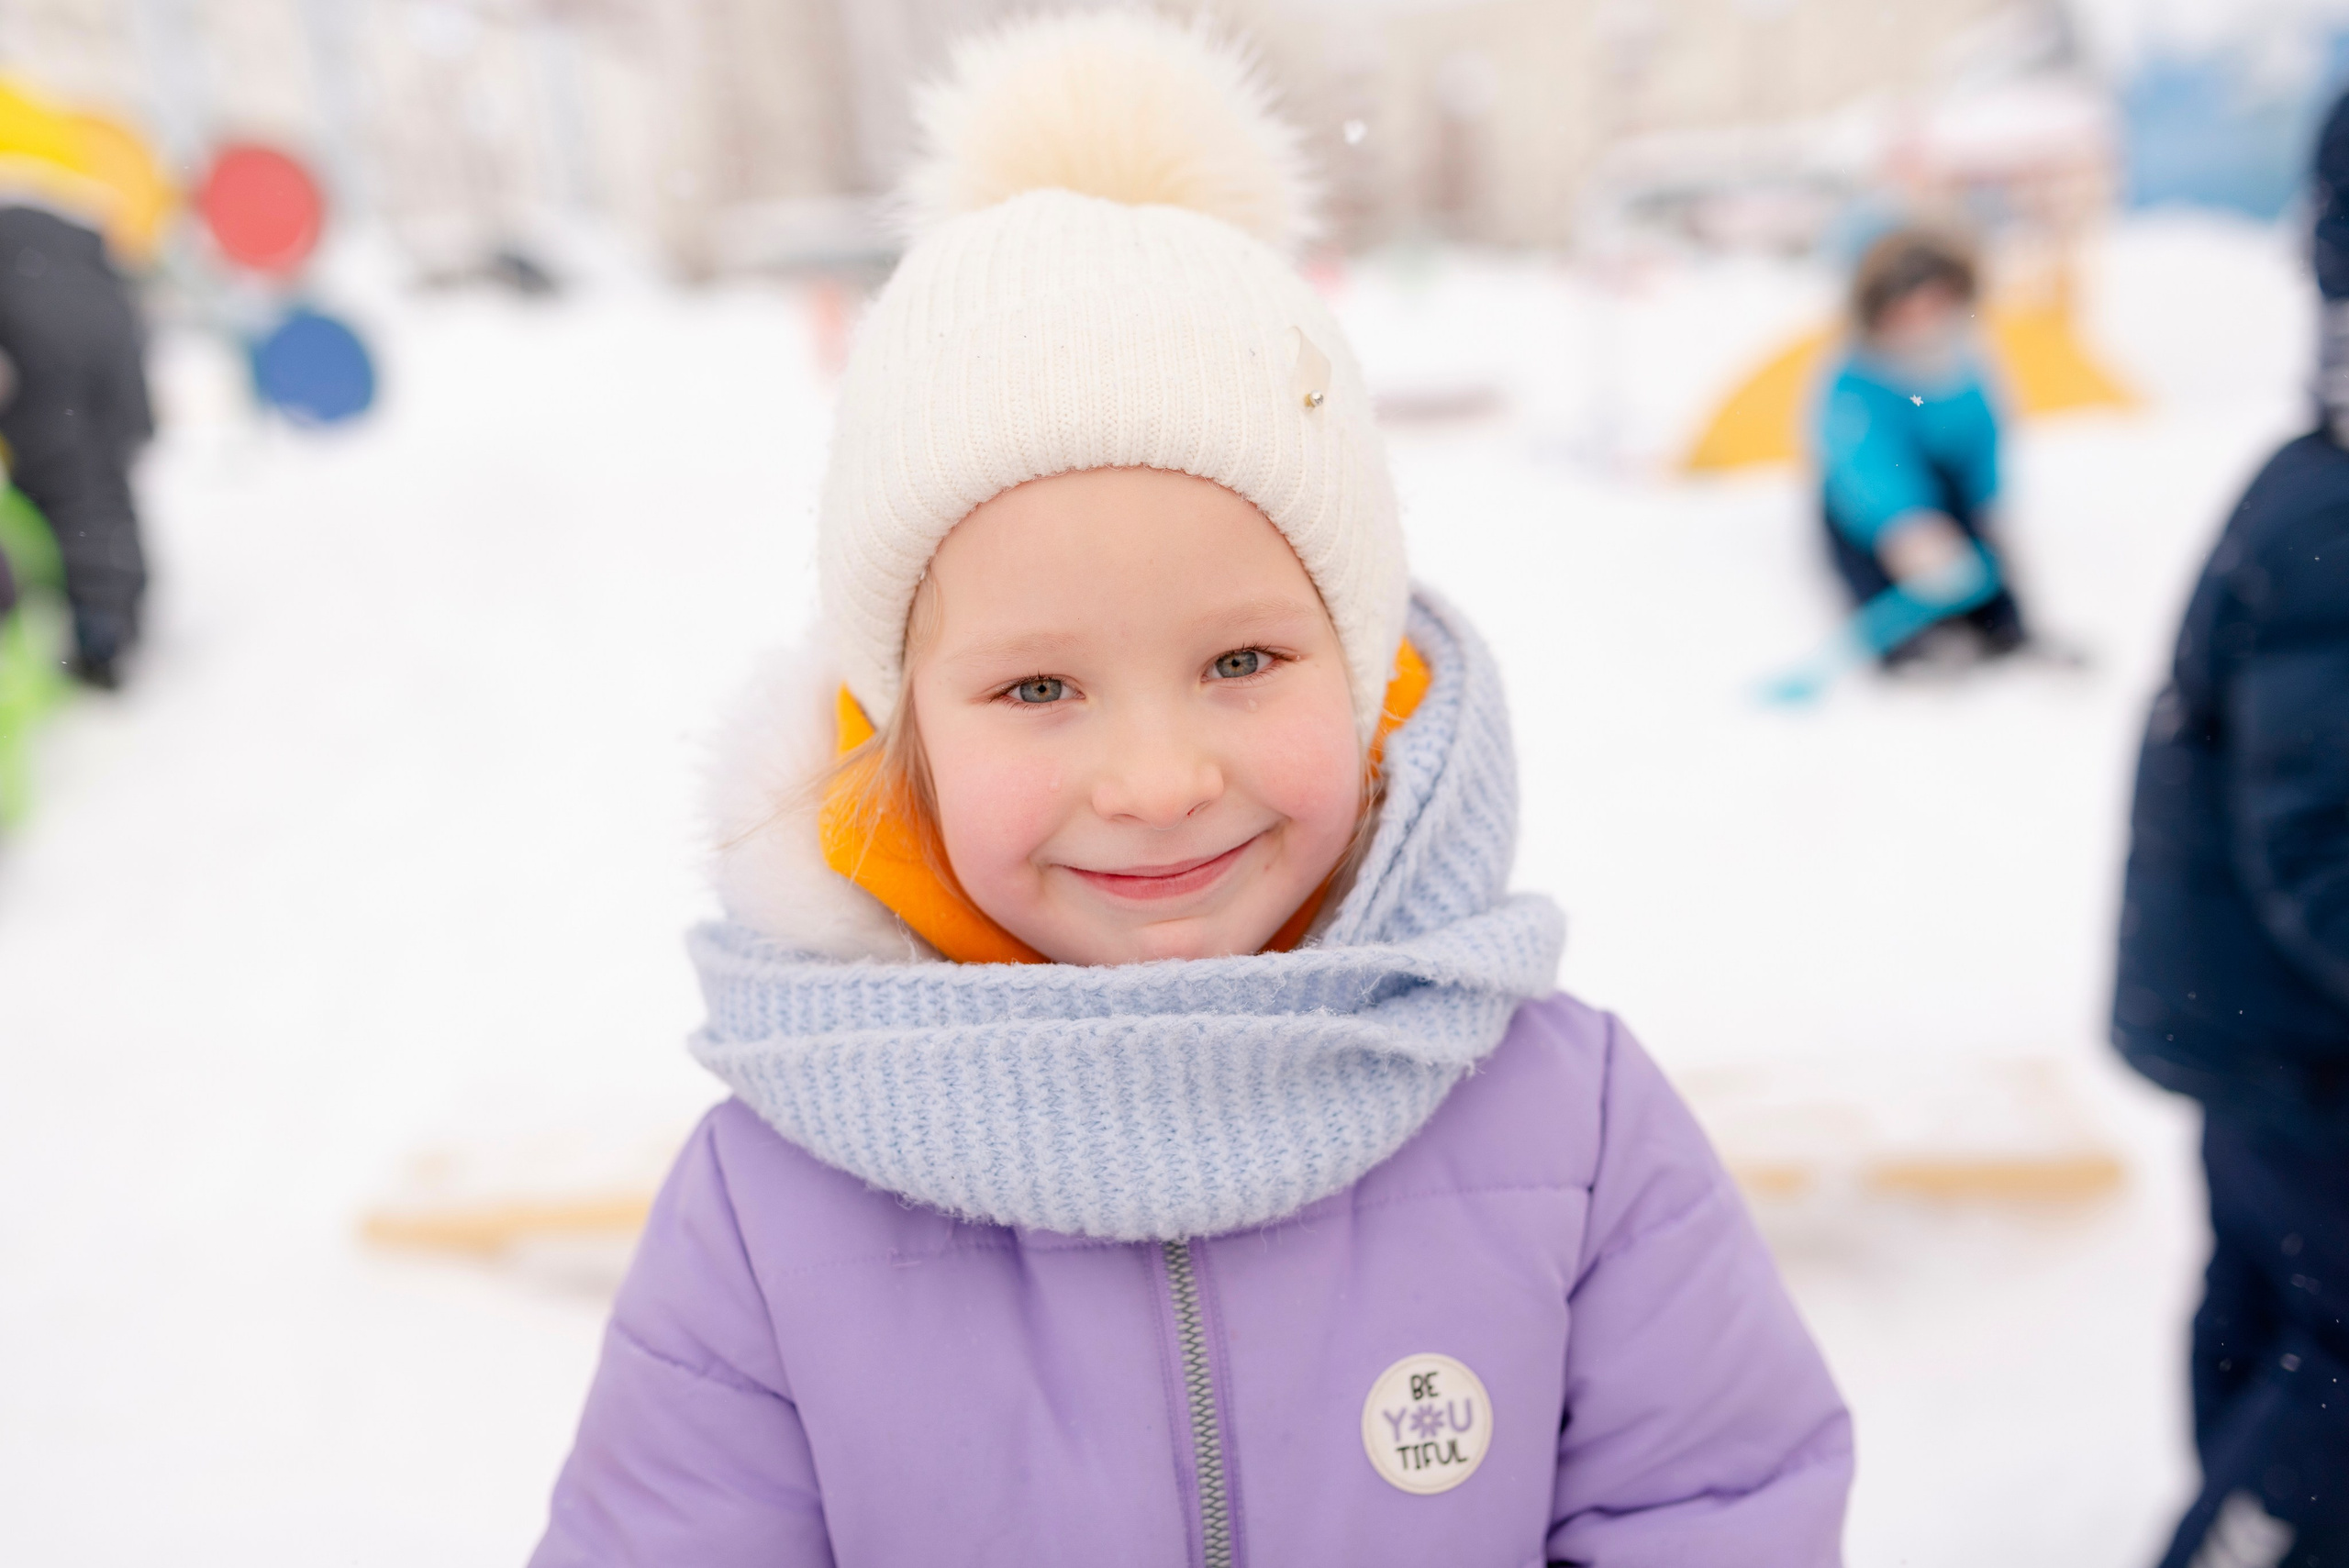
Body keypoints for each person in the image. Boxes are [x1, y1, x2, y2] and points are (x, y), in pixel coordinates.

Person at [530, 14, 1852, 1566]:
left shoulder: (1566, 1123)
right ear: (902, 737)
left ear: (1362, 676)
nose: (1159, 782)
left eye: (1240, 660)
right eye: (1039, 688)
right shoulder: (776, 1206)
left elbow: (1713, 1509)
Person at [2112, 89, 2349, 1568]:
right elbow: (2321, 843)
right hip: (2298, 1041)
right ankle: (2250, 1527)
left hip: (2261, 1026)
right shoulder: (2328, 534)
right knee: (2332, 1353)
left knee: (2273, 1300)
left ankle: (2239, 1495)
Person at [1814, 227, 2030, 670]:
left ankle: (2006, 632)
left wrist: (1988, 501)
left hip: (1949, 491)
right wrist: (1902, 523)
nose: (1923, 318)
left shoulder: (1964, 365)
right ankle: (1903, 645)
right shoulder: (1859, 375)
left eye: (1936, 303)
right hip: (1872, 508)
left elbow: (1983, 439)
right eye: (1908, 306)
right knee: (1868, 555)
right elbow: (1862, 458)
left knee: (1982, 556)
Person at [0, 203, 153, 688]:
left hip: (43, 366)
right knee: (101, 486)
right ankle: (113, 617)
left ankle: (99, 631)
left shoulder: (18, 244)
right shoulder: (63, 229)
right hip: (102, 352)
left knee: (66, 488)